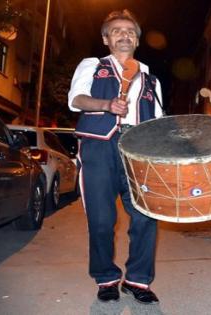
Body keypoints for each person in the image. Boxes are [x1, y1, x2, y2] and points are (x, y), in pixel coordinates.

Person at [68, 10, 162, 303]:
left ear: (137, 39)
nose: (125, 35)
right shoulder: (94, 65)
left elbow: (157, 120)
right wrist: (107, 104)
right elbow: (76, 100)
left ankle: (138, 280)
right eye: (117, 31)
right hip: (99, 145)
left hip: (139, 152)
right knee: (101, 219)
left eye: (130, 31)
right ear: (106, 38)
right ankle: (106, 278)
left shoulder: (150, 78)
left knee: (147, 216)